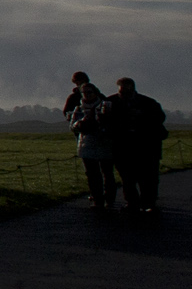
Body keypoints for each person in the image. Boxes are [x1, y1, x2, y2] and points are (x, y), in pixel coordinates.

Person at [105, 78, 169, 213]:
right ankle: (134, 202)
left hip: (145, 146)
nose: (124, 92)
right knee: (128, 178)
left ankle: (147, 203)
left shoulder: (148, 103)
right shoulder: (111, 102)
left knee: (147, 177)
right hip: (123, 146)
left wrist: (142, 117)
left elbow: (159, 118)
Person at [65, 72, 117, 210]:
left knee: (107, 173)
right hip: (86, 144)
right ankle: (97, 199)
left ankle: (109, 199)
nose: (87, 95)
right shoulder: (78, 108)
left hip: (104, 143)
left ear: (95, 92)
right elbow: (72, 125)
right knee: (92, 174)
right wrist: (80, 124)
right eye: (84, 93)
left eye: (89, 92)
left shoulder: (106, 106)